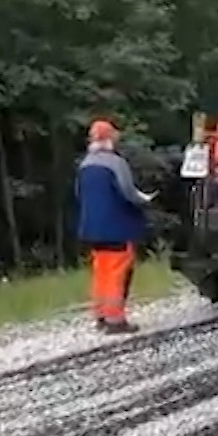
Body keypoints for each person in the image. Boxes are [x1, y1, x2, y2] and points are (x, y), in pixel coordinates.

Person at [76, 118, 153, 333]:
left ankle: (100, 315)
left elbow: (78, 194)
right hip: (116, 228)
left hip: (91, 228)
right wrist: (145, 200)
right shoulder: (116, 163)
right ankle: (115, 320)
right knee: (117, 271)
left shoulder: (84, 165)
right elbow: (129, 193)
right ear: (110, 139)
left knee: (100, 270)